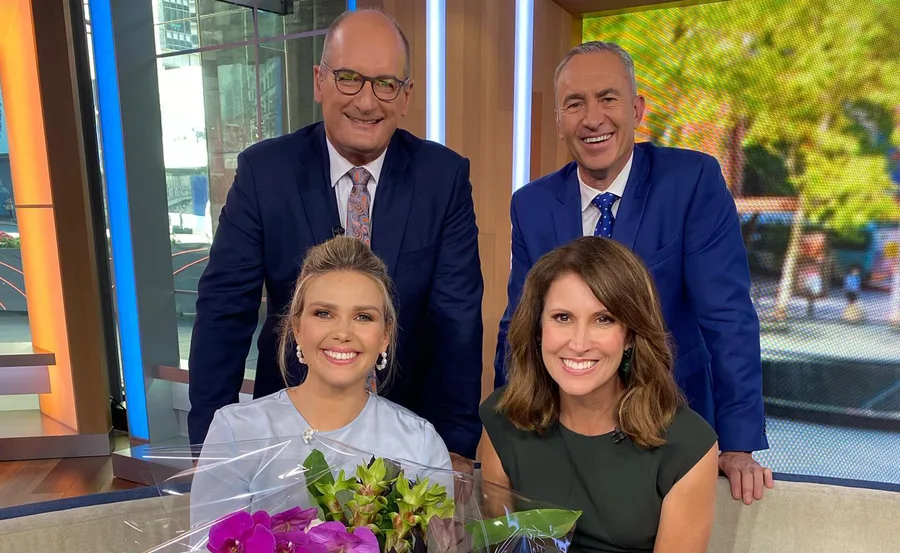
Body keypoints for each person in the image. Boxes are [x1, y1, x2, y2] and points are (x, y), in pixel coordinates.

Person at [188, 9, 484, 472]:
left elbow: (457, 322)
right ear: (319, 81)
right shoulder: (265, 173)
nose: (367, 102)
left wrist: (456, 445)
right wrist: (210, 447)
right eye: (349, 78)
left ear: (406, 96)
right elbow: (225, 311)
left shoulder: (443, 178)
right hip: (285, 438)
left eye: (385, 84)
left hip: (405, 441)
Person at [494, 41, 773, 504]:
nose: (592, 118)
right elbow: (520, 325)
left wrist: (737, 443)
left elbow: (727, 317)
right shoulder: (532, 204)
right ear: (560, 120)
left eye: (608, 98)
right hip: (565, 434)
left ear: (638, 109)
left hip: (670, 427)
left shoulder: (692, 181)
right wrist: (505, 430)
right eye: (575, 104)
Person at [190, 237, 452, 533]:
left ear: (385, 336)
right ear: (297, 327)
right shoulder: (237, 432)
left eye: (363, 317)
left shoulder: (419, 444)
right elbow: (212, 543)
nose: (342, 333)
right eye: (324, 313)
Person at [481, 237, 719, 553]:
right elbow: (496, 546)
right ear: (538, 330)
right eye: (562, 317)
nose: (579, 343)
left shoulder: (687, 446)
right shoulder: (503, 419)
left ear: (632, 335)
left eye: (603, 320)